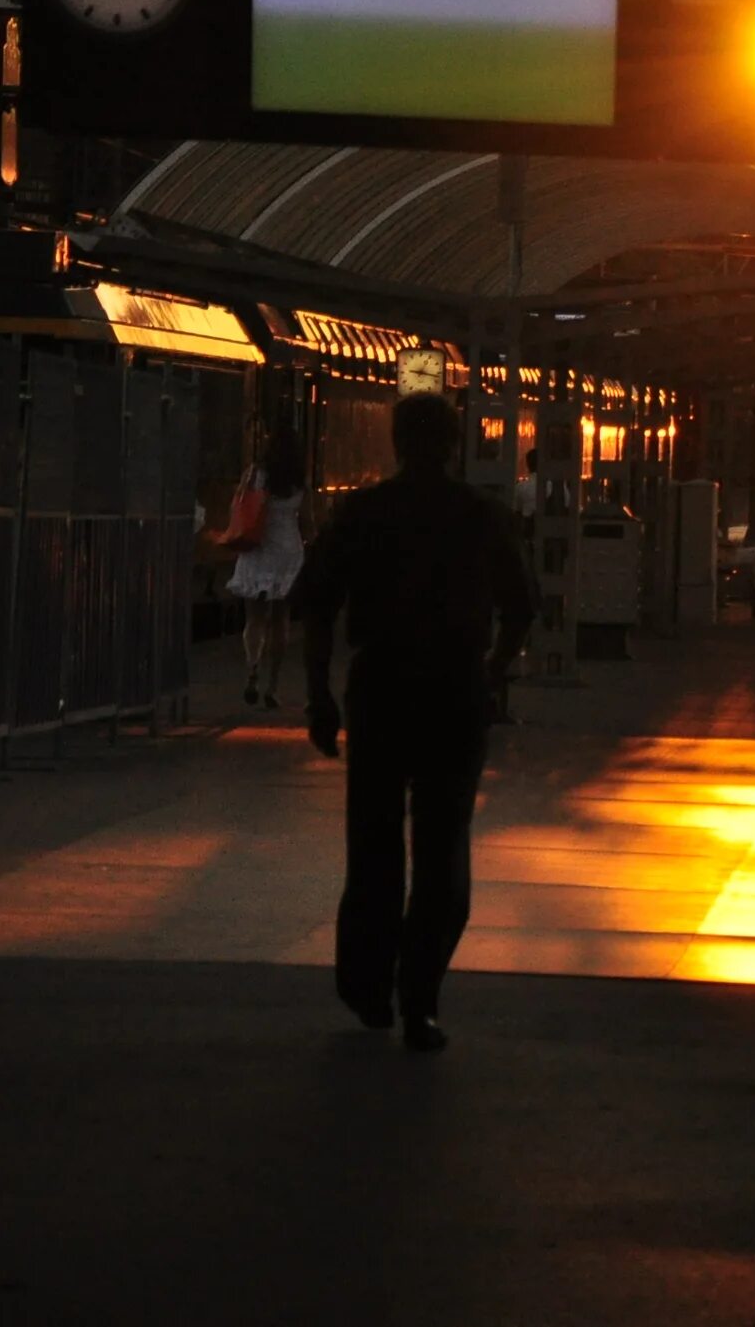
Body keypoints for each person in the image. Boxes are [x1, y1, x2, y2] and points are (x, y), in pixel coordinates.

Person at [295, 393, 535, 1054]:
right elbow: (521, 605)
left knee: (373, 844)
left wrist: (319, 695)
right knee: (442, 849)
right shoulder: (479, 515)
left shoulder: (364, 512)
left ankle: (368, 985)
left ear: (396, 441)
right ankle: (420, 1001)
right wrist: (491, 671)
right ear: (455, 444)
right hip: (454, 691)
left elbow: (316, 604)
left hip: (380, 688)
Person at [223, 427, 308, 710]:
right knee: (281, 621)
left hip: (257, 547)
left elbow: (239, 504)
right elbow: (308, 519)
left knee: (255, 618)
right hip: (287, 551)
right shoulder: (299, 480)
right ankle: (273, 686)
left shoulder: (255, 473)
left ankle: (252, 671)